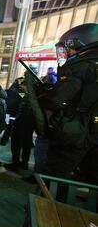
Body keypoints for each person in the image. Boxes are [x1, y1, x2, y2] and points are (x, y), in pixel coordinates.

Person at [38, 23, 98, 201]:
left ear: (80, 43)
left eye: (68, 48)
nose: (66, 52)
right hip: (94, 134)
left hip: (77, 133)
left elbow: (56, 99)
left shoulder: (80, 67)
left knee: (55, 177)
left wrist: (42, 94)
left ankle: (48, 213)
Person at [5, 81, 35, 172]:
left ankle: (15, 164)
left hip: (22, 124)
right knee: (26, 145)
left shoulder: (27, 97)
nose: (21, 87)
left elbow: (22, 111)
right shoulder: (33, 96)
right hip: (29, 125)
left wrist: (16, 122)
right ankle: (24, 163)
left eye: (23, 85)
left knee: (16, 144)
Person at [1, 78, 25, 146]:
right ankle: (4, 139)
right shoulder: (22, 93)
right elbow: (22, 102)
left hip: (7, 111)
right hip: (13, 113)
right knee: (9, 126)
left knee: (6, 124)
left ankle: (4, 139)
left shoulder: (9, 90)